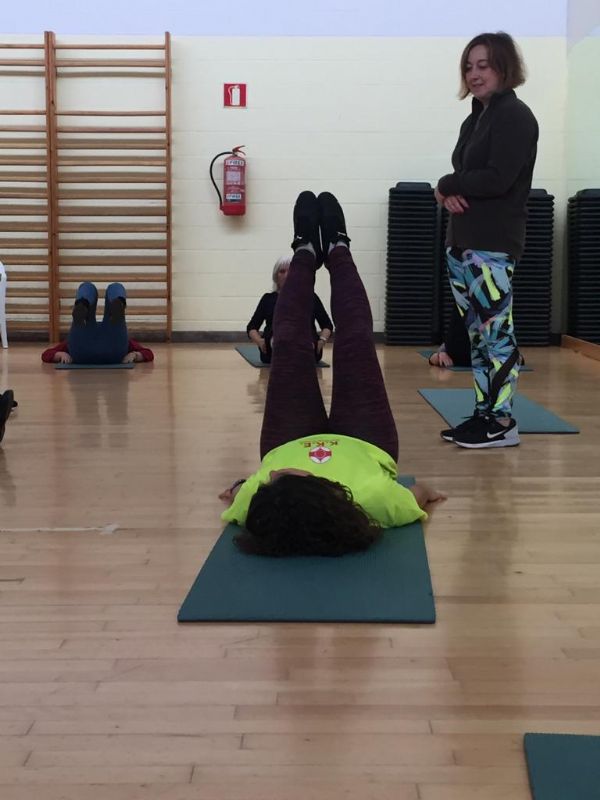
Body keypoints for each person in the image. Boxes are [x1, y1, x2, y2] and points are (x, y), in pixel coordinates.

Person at [220, 190, 446, 557]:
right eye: (279, 478)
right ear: (311, 485)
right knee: (356, 340)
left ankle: (306, 250)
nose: (269, 475)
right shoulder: (374, 499)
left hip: (287, 441)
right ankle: (338, 248)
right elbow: (417, 495)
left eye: (267, 482)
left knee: (288, 341)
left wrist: (236, 488)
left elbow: (240, 493)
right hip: (366, 442)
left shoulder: (258, 503)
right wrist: (430, 492)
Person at [435, 31, 538, 448]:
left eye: (484, 65)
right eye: (468, 67)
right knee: (477, 338)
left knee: (496, 336)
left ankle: (502, 421)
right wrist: (447, 193)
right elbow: (467, 179)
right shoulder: (476, 118)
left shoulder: (515, 116)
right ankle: (484, 414)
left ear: (504, 68)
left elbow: (498, 179)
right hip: (463, 241)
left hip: (492, 243)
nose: (474, 74)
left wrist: (447, 183)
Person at [246, 255, 333, 364]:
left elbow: (327, 325)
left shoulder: (310, 297)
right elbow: (252, 327)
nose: (286, 275)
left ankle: (301, 344)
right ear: (276, 277)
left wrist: (322, 341)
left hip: (306, 344)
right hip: (273, 348)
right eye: (282, 272)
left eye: (291, 271)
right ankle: (280, 343)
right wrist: (259, 341)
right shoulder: (268, 299)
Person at [41, 282, 154, 365]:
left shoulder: (71, 341)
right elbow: (148, 353)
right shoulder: (124, 340)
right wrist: (135, 355)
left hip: (82, 353)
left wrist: (59, 354)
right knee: (115, 286)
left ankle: (83, 303)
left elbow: (46, 354)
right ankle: (119, 302)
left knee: (87, 286)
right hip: (114, 352)